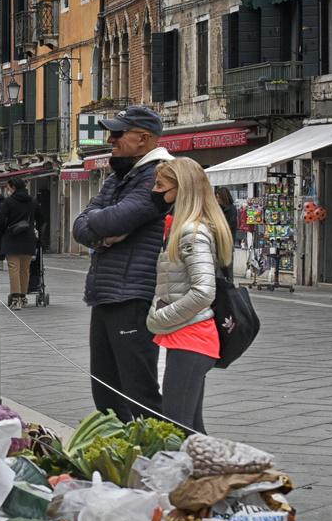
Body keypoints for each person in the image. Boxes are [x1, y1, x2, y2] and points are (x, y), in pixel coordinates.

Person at [71, 104, 174, 422]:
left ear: (144, 138)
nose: (110, 138)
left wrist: (101, 224)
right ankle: (124, 460)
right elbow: (80, 225)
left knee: (138, 391)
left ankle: (166, 459)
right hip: (106, 291)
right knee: (105, 391)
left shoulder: (160, 176)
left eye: (118, 133)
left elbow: (116, 218)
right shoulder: (121, 175)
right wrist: (102, 233)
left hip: (133, 294)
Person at [147, 159, 234, 434]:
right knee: (190, 428)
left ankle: (202, 475)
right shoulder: (189, 228)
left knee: (176, 427)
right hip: (189, 337)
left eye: (161, 185)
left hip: (191, 336)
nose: (155, 190)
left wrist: (162, 317)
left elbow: (203, 291)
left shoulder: (191, 233)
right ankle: (208, 475)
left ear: (181, 190)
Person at [0, 177, 40, 310]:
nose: (9, 191)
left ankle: (15, 298)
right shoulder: (33, 201)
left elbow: (0, 220)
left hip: (12, 238)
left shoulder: (9, 201)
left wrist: (4, 232)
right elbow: (41, 219)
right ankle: (23, 296)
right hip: (28, 238)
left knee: (14, 269)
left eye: (9, 188)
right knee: (25, 269)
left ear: (13, 188)